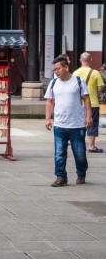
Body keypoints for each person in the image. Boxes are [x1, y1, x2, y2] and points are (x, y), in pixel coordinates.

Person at [45, 56, 92, 186]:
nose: (56, 71)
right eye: (54, 69)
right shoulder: (53, 83)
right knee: (59, 153)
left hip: (77, 124)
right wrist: (48, 118)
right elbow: (49, 101)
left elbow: (86, 99)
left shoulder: (78, 81)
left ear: (66, 67)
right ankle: (61, 177)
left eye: (58, 68)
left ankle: (81, 174)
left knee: (80, 153)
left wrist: (89, 117)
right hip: (60, 124)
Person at [74, 52, 104, 153]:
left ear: (80, 60)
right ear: (91, 60)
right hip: (93, 103)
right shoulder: (95, 73)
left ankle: (79, 144)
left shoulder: (75, 73)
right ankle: (91, 146)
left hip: (79, 103)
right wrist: (95, 93)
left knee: (80, 124)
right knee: (92, 124)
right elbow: (100, 88)